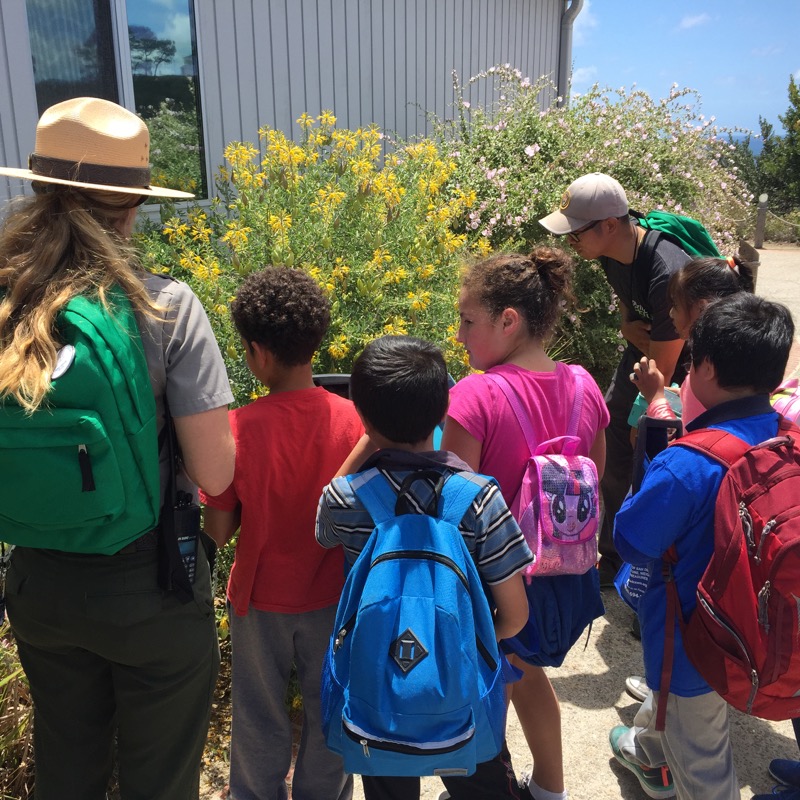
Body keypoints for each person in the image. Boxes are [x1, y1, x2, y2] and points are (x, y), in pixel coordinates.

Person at [0, 97, 235, 800]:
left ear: (41, 189)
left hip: (39, 580)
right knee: (159, 780)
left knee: (67, 767)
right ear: (131, 205)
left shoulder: (8, 304)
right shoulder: (163, 307)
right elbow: (216, 471)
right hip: (149, 584)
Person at [316, 334, 532, 800]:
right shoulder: (479, 499)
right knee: (483, 782)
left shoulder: (347, 500)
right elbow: (516, 616)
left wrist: (366, 439)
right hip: (463, 696)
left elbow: (322, 526)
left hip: (378, 693)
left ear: (363, 416)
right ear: (442, 413)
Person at [610, 293, 794, 800]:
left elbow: (631, 538)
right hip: (756, 624)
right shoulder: (784, 435)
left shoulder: (689, 462)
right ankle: (648, 745)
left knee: (705, 772)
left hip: (693, 643)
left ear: (705, 366)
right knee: (685, 711)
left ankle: (662, 757)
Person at [440, 247, 609, 800]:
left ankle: (486, 790)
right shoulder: (585, 386)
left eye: (468, 321)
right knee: (528, 672)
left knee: (488, 684)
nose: (460, 335)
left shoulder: (474, 396)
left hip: (494, 584)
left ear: (508, 320)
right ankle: (551, 789)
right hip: (564, 574)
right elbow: (597, 473)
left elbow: (456, 504)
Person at [200, 266, 361, 800]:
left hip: (259, 600)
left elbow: (219, 529)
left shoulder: (239, 428)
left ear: (257, 352)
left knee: (257, 717)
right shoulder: (357, 423)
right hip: (335, 599)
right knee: (330, 713)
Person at [539, 173, 690, 585]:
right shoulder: (610, 253)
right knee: (610, 441)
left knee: (647, 453)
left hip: (686, 369)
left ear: (609, 226)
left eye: (575, 233)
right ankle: (611, 558)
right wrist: (627, 328)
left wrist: (641, 418)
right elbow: (627, 305)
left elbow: (663, 373)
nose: (570, 241)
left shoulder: (667, 273)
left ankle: (650, 575)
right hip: (645, 352)